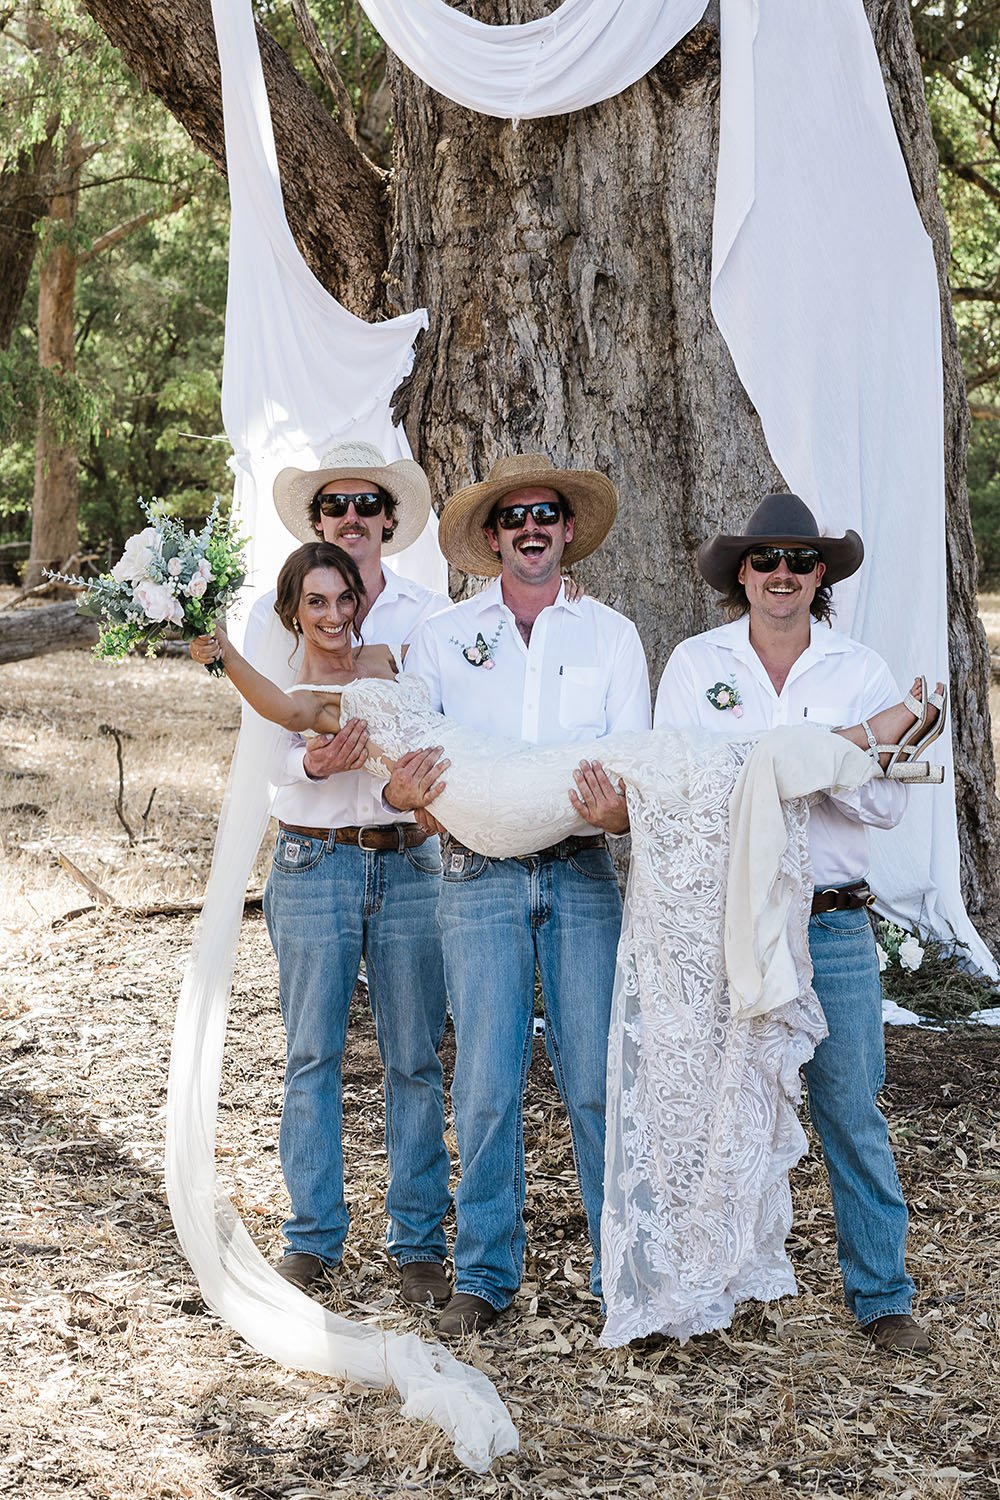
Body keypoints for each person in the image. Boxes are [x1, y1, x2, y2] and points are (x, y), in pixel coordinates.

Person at [652, 491, 946, 1355]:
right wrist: (835, 750)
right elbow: (684, 789)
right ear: (740, 572)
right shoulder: (694, 663)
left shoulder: (862, 669)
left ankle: (883, 1296)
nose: (783, 574)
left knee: (851, 1110)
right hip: (731, 924)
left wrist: (798, 767)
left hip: (832, 924)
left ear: (821, 577)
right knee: (721, 1110)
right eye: (767, 559)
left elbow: (891, 806)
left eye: (801, 561)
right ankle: (712, 1289)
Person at [383, 452, 648, 1337]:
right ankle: (485, 1274)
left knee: (597, 1082)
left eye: (546, 514)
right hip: (476, 878)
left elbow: (633, 775)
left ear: (568, 530)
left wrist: (615, 816)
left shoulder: (611, 636)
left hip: (580, 875)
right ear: (492, 538)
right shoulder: (445, 637)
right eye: (514, 517)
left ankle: (627, 1278)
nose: (531, 528)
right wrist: (406, 796)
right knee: (487, 1085)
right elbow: (412, 775)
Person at [228, 439, 454, 1312]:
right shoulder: (276, 622)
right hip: (312, 859)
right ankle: (313, 1239)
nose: (352, 518)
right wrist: (316, 769)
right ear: (318, 523)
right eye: (335, 507)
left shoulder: (423, 623)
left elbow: (442, 727)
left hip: (407, 862)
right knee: (312, 1052)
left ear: (389, 522)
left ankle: (419, 1242)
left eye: (367, 505)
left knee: (414, 1058)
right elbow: (267, 747)